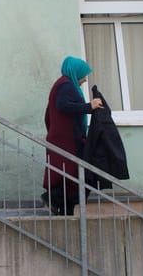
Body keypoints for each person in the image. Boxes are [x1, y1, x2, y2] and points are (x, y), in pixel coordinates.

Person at [41, 56, 103, 215]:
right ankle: (52, 199)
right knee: (71, 175)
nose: (84, 79)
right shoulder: (66, 85)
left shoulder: (62, 84)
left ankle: (65, 212)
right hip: (66, 140)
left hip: (62, 138)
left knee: (68, 176)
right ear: (76, 71)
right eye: (83, 74)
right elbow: (63, 105)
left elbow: (48, 115)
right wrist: (90, 106)